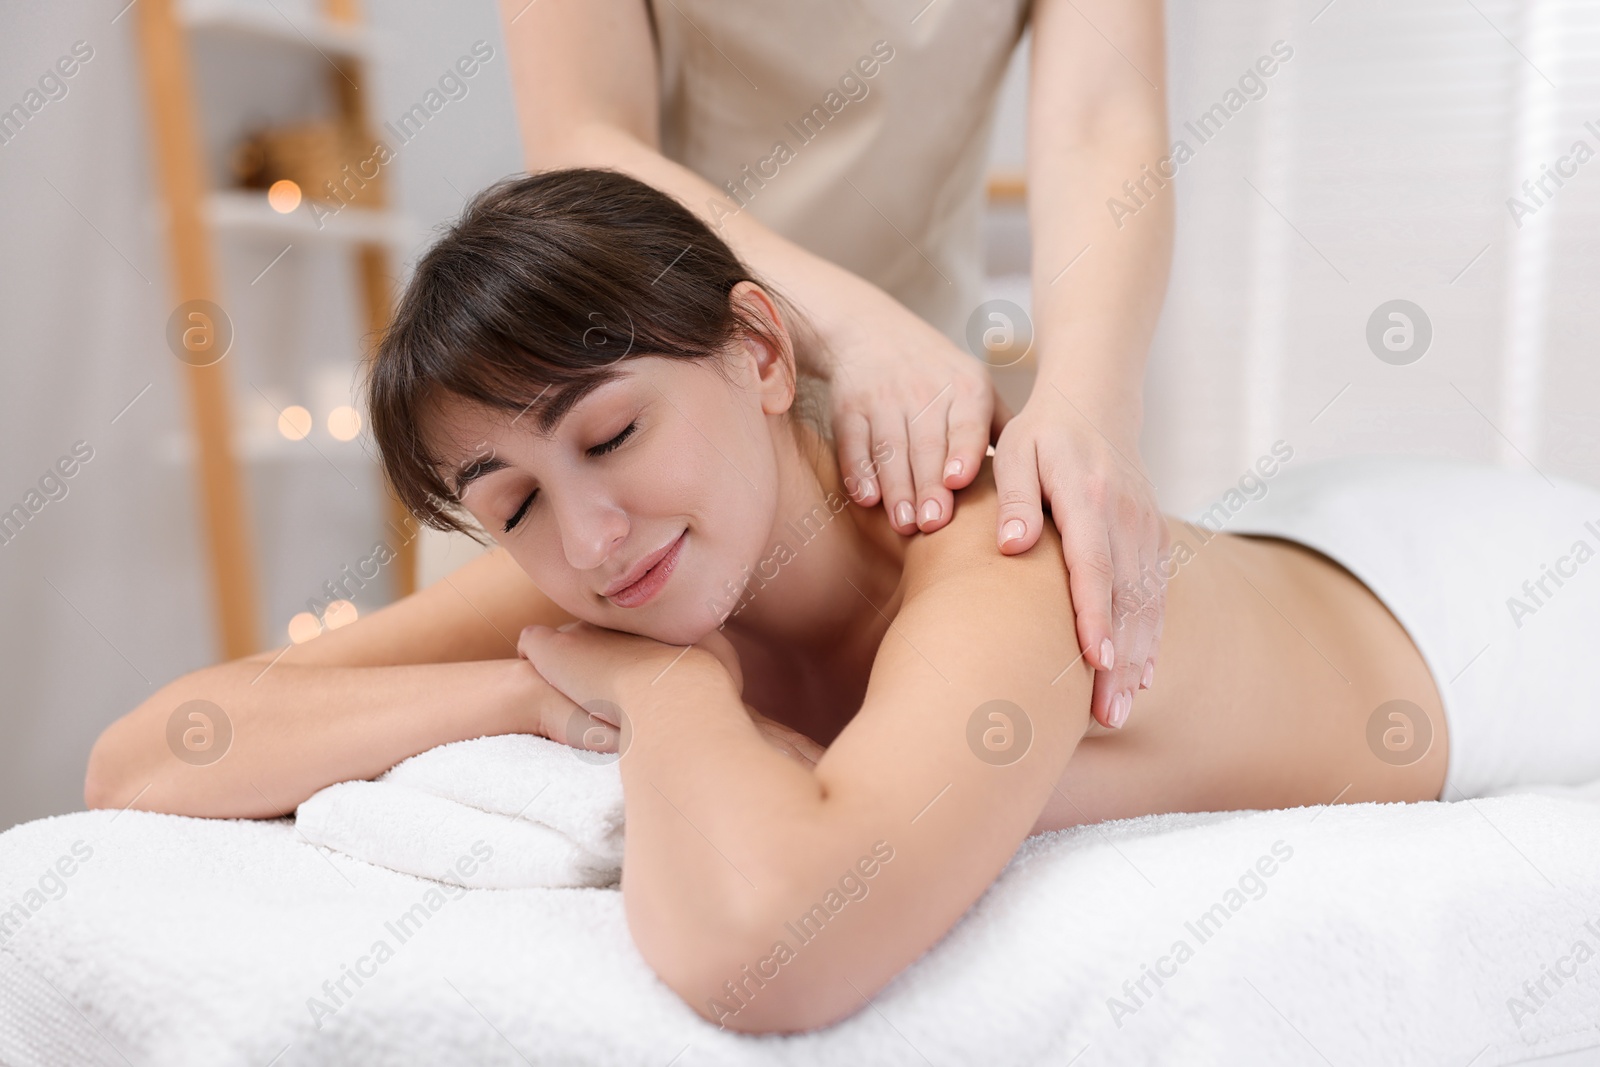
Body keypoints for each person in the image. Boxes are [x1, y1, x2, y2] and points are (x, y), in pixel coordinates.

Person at [84, 170, 1600, 1033]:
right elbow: (150, 757)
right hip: (1286, 544)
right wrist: (522, 689)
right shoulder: (624, 554)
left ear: (758, 353)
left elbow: (770, 946)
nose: (592, 534)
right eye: (514, 502)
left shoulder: (995, 549)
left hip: (1486, 610)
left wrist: (669, 696)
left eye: (612, 432)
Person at [498, 0, 1177, 731]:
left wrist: (1091, 404)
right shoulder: (583, 529)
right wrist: (849, 329)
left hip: (919, 426)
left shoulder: (986, 570)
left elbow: (1102, 122)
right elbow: (585, 134)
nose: (584, 540)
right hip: (618, 421)